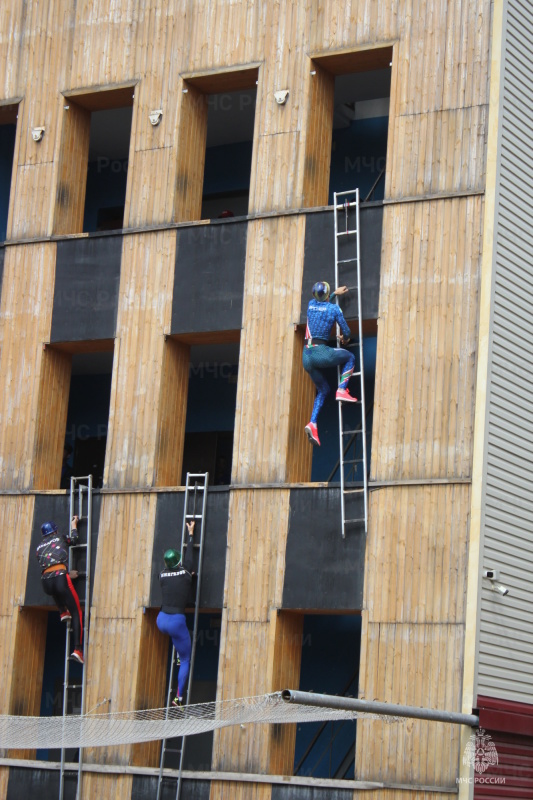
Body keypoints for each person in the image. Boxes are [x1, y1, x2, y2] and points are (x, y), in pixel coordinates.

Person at [303, 281, 357, 447]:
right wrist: (345, 339)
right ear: (327, 296)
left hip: (307, 356)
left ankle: (313, 422)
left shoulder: (310, 305)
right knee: (350, 358)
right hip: (321, 353)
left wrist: (334, 293)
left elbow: (322, 303)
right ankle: (341, 389)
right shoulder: (334, 309)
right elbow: (346, 331)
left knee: (324, 390)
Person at [156, 521, 196, 707]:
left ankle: (179, 651)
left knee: (177, 637)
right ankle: (178, 698)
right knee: (185, 659)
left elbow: (180, 567)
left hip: (161, 619)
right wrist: (191, 534)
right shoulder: (186, 572)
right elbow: (189, 559)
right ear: (179, 562)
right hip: (176, 621)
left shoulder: (162, 574)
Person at [36, 516, 84, 663]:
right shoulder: (60, 538)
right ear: (55, 531)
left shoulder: (38, 548)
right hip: (60, 579)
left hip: (46, 583)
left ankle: (62, 611)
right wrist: (74, 525)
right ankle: (77, 650)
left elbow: (49, 566)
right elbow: (74, 540)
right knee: (77, 612)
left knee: (55, 587)